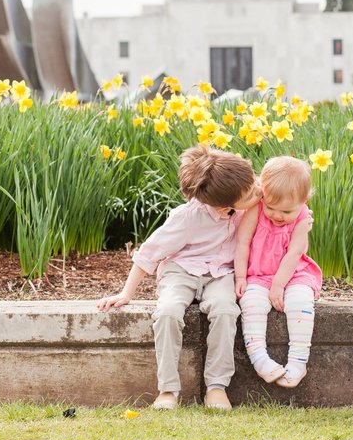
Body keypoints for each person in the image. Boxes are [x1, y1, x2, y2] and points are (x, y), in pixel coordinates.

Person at [97, 145, 260, 410]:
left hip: (221, 273)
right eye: (251, 193)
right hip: (181, 270)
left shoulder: (244, 192)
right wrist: (126, 293)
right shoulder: (186, 218)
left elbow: (282, 192)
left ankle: (217, 388)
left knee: (226, 310)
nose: (258, 192)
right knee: (168, 312)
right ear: (223, 207)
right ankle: (167, 391)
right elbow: (149, 252)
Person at [234, 156, 322, 389]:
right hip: (258, 274)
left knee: (300, 304)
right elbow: (242, 242)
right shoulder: (257, 208)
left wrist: (279, 286)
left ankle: (298, 361)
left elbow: (294, 253)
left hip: (293, 273)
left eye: (286, 211)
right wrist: (241, 276)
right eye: (271, 207)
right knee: (251, 304)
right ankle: (260, 359)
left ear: (304, 201)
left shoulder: (302, 217)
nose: (276, 215)